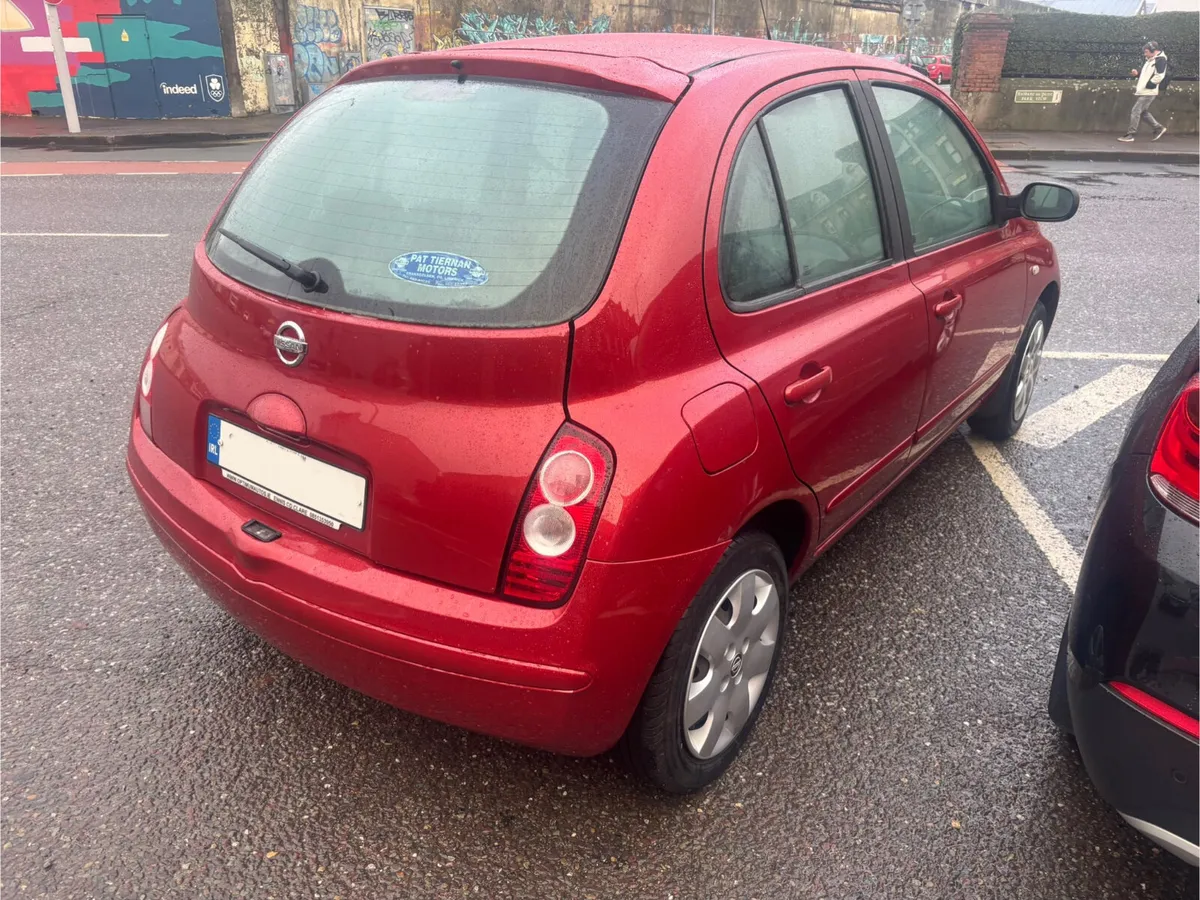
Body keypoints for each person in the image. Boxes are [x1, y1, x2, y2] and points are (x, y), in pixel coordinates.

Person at [1119, 42, 1169, 142]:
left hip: (1149, 91)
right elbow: (1147, 73)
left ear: (1153, 51)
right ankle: (1158, 128)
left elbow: (1160, 75)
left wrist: (1150, 84)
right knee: (1143, 112)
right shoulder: (1151, 59)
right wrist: (1137, 73)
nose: (1144, 54)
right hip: (1145, 90)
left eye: (1146, 52)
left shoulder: (1160, 60)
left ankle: (1131, 134)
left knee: (1135, 111)